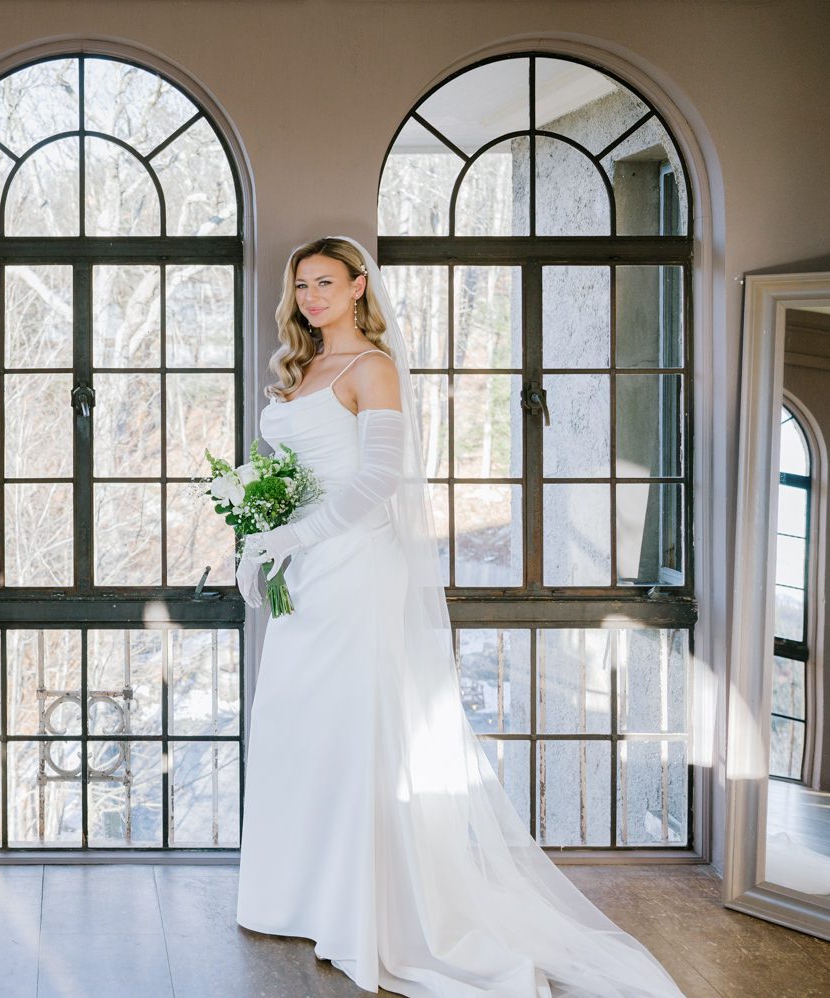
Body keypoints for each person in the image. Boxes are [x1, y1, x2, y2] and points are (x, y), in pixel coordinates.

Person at [233, 236, 683, 997]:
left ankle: (363, 908)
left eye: (325, 283)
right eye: (301, 285)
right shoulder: (298, 369)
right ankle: (299, 894)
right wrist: (257, 543)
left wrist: (290, 534)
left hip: (353, 571)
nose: (311, 297)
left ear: (357, 289)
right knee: (298, 727)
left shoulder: (371, 368)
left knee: (353, 730)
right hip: (303, 578)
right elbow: (283, 479)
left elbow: (379, 479)